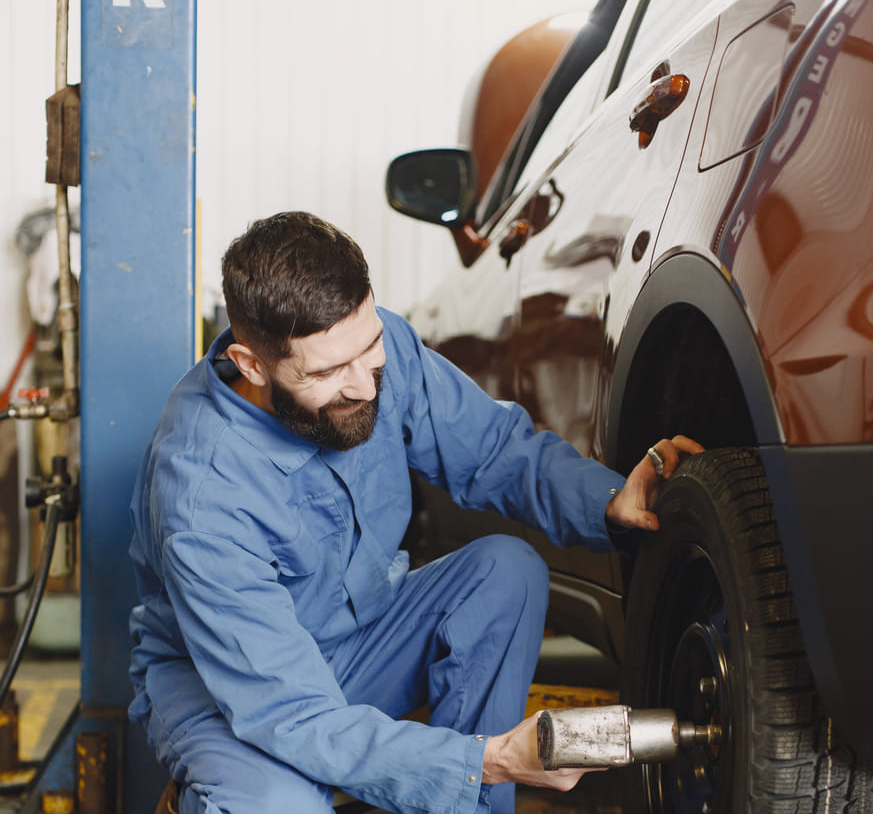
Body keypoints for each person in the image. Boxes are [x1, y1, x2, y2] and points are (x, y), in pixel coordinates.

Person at [129, 211, 702, 814]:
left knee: (504, 572)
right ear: (252, 366)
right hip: (234, 686)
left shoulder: (379, 348)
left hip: (359, 641)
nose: (368, 388)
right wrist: (493, 759)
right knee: (280, 804)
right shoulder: (203, 495)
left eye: (369, 348)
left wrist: (610, 499)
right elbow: (291, 714)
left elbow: (491, 450)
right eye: (327, 373)